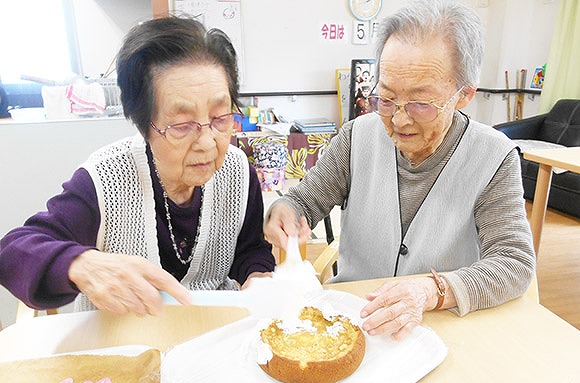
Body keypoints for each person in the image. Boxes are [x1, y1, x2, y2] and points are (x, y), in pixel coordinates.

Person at [264, 0, 535, 339]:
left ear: (464, 94)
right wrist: (284, 211)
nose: (400, 120)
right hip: (354, 322)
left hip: (438, 330)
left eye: (421, 104)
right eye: (387, 99)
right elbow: (304, 202)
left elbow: (514, 263)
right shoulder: (356, 138)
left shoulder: (493, 157)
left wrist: (431, 291)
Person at [0, 16, 275, 316]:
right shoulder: (105, 181)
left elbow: (249, 249)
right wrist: (80, 264)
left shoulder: (237, 172)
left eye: (220, 118)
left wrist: (258, 277)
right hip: (122, 344)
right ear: (145, 127)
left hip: (209, 340)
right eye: (183, 125)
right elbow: (13, 250)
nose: (208, 142)